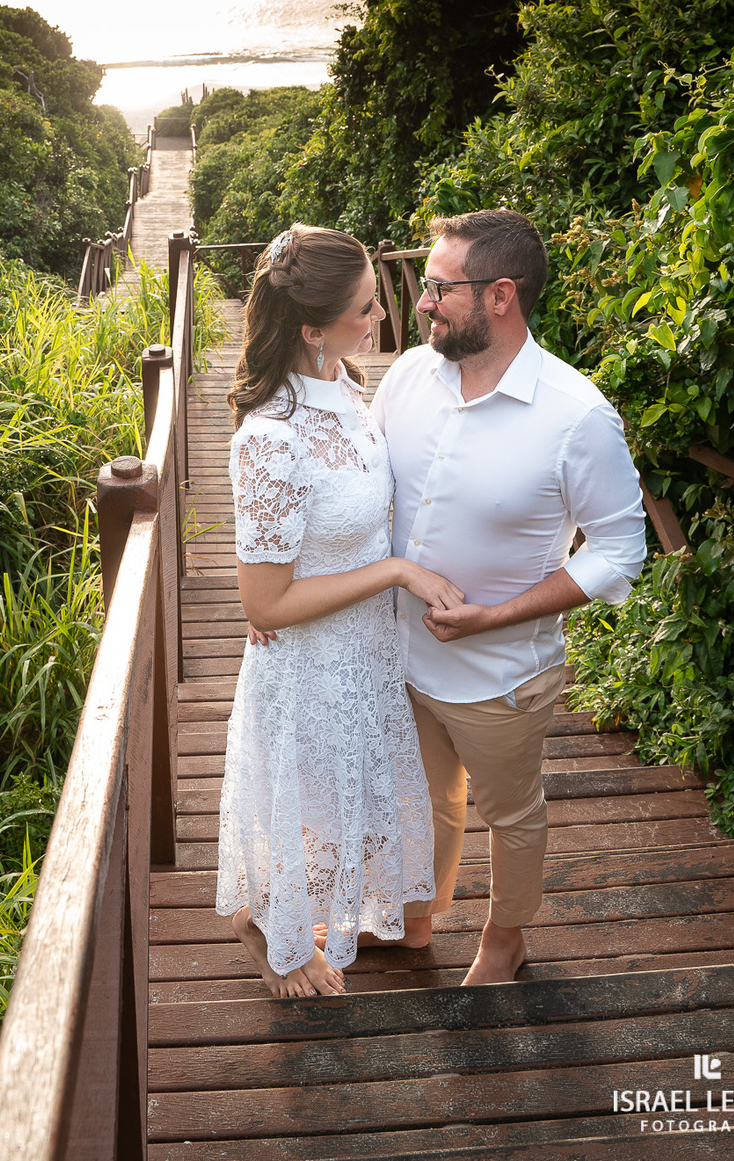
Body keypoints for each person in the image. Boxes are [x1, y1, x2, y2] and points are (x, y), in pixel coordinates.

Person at [370, 207, 647, 986]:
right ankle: (416, 919)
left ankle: (506, 937)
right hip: (399, 651)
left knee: (511, 813)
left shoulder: (576, 415)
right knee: (422, 796)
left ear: (501, 295)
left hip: (502, 676)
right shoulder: (407, 375)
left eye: (439, 287)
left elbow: (622, 549)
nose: (422, 302)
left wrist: (495, 616)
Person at [215, 225, 457, 999]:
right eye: (364, 308)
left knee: (347, 797)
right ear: (311, 329)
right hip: (310, 663)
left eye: (376, 298)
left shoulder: (348, 387)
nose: (382, 315)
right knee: (305, 801)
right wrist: (395, 571)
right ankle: (271, 936)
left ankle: (311, 917)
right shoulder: (269, 438)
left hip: (368, 651)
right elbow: (264, 601)